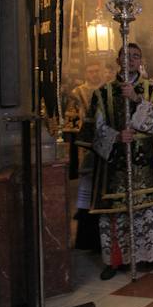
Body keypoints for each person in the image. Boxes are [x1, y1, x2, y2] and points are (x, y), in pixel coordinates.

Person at [77, 43, 153, 280]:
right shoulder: (103, 93)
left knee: (149, 210)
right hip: (115, 164)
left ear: (140, 61)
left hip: (147, 160)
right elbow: (94, 131)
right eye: (126, 56)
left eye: (135, 56)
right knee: (116, 212)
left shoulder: (151, 89)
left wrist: (136, 99)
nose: (131, 60)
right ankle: (115, 259)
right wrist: (115, 136)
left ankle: (152, 255)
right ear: (118, 60)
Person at [63, 60, 105, 250]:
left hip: (106, 143)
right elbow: (70, 121)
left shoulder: (108, 89)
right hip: (85, 145)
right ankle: (87, 236)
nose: (94, 74)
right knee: (88, 185)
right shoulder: (77, 93)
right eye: (90, 70)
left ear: (103, 72)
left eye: (97, 70)